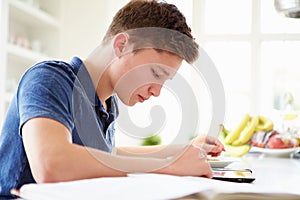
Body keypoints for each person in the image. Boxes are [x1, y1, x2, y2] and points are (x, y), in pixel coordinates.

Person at [0, 0, 224, 198]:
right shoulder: (50, 78)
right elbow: (52, 164)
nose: (157, 92)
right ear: (121, 46)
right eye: (156, 73)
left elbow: (107, 155)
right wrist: (168, 165)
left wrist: (182, 150)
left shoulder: (107, 103)